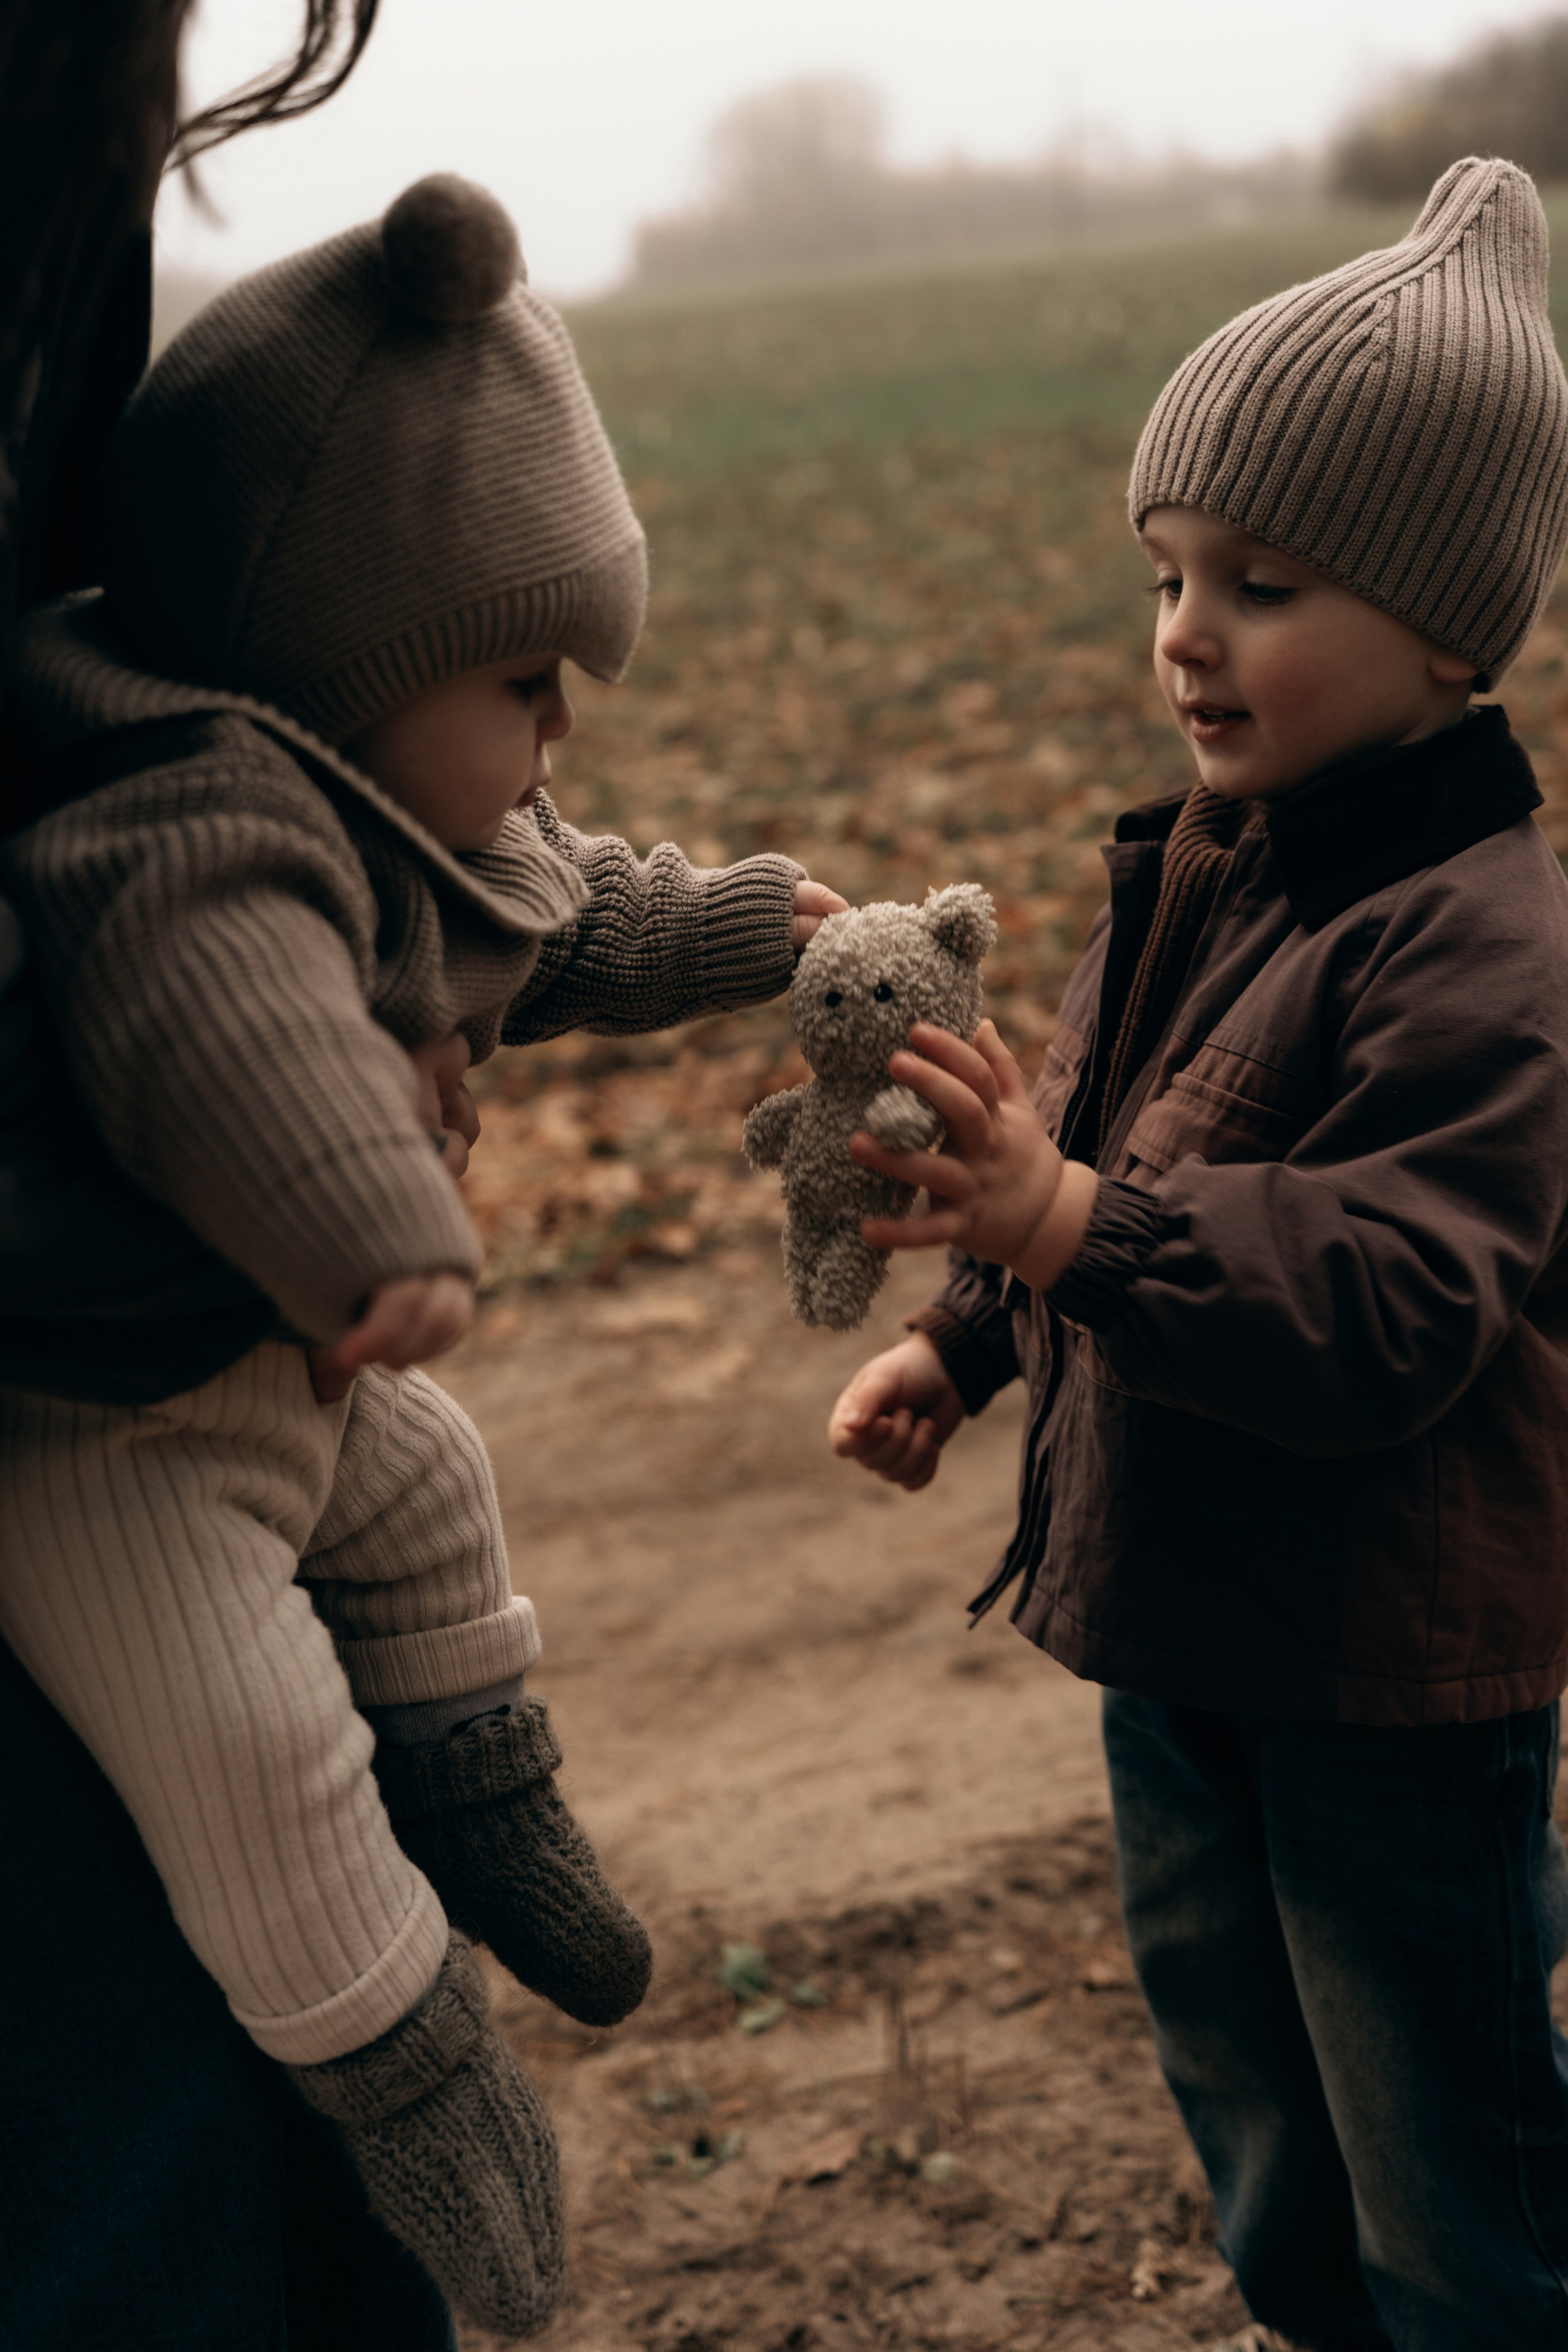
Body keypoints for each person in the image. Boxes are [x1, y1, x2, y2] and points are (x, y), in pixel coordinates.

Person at [0, 170, 846, 2335]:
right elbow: (237, 1034)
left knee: (438, 1482)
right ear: (338, 654)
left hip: (266, 1382)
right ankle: (406, 2062)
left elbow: (572, 916)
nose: (562, 731)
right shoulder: (197, 820)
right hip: (109, 1452)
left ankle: (486, 1801)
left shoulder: (403, 809)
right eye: (527, 677)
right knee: (250, 1749)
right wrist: (372, 1216)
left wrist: (744, 926)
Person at [830, 156, 1568, 2350]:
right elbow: (1101, 1149)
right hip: (1186, 1621)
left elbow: (1385, 1298)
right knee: (1252, 2086)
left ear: (1452, 632)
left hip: (1392, 1667)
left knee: (1442, 2141)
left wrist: (1063, 1223)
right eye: (1168, 574)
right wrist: (972, 1331)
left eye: (1262, 582)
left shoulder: (1490, 948)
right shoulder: (1209, 866)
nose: (1186, 631)